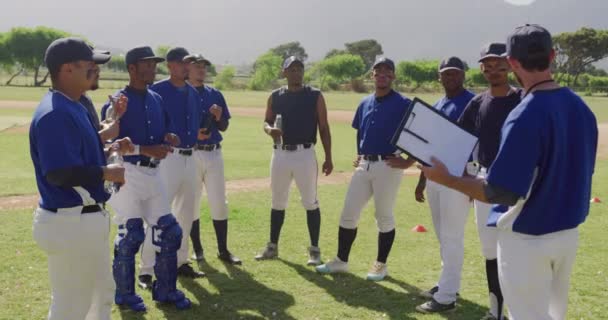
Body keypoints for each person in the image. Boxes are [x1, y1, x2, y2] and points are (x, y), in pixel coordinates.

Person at [421, 24, 598, 320]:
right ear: (553, 55)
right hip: (567, 236)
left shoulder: (525, 113)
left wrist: (448, 179)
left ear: (512, 63)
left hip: (529, 237)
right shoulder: (581, 107)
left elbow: (499, 191)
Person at [30, 37, 128, 320]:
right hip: (70, 221)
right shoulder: (55, 112)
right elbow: (59, 172)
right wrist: (105, 172)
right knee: (71, 306)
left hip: (82, 219)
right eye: (89, 64)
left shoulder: (74, 104)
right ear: (66, 69)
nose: (94, 69)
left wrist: (109, 149)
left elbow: (80, 156)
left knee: (100, 296)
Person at [101, 46, 191, 311]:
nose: (153, 68)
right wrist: (143, 148)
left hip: (154, 174)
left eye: (154, 64)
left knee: (170, 231)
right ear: (132, 69)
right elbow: (109, 143)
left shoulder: (155, 98)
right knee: (131, 235)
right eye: (147, 64)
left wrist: (168, 138)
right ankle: (125, 296)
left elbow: (162, 131)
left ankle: (165, 291)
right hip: (126, 174)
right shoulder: (117, 101)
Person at [316, 57, 415, 281]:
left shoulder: (403, 103)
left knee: (384, 216)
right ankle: (341, 261)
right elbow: (360, 132)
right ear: (372, 75)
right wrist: (360, 153)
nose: (382, 74)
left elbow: (418, 135)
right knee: (348, 213)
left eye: (387, 70)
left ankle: (380, 265)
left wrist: (408, 162)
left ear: (393, 76)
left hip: (388, 166)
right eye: (378, 70)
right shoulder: (364, 102)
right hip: (365, 165)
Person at [453, 42, 523, 320]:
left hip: (518, 183)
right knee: (490, 250)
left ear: (509, 65)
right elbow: (457, 140)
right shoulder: (478, 102)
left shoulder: (522, 99)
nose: (494, 70)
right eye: (488, 65)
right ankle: (496, 312)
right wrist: (465, 176)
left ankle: (520, 311)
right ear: (482, 68)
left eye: (499, 64)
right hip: (484, 181)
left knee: (518, 247)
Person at [139, 47, 208, 286]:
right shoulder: (156, 90)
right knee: (159, 214)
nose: (188, 67)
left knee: (186, 214)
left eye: (190, 62)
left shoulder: (192, 92)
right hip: (168, 159)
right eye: (183, 63)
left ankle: (180, 261)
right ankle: (146, 269)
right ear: (170, 66)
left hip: (191, 157)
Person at [255, 56, 333, 266]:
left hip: (305, 154)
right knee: (277, 201)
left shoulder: (315, 95)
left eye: (299, 69)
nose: (296, 72)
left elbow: (324, 128)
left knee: (310, 201)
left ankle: (314, 250)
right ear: (284, 72)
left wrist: (328, 157)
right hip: (280, 153)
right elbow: (266, 122)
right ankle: (272, 247)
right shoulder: (275, 96)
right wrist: (270, 130)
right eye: (292, 69)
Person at [414, 57, 475, 314]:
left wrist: (470, 181)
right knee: (443, 236)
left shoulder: (473, 102)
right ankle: (446, 284)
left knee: (452, 237)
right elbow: (431, 146)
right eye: (445, 74)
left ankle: (447, 296)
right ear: (439, 77)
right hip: (436, 178)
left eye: (455, 73)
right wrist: (421, 181)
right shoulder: (439, 104)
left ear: (463, 75)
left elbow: (477, 142)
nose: (450, 77)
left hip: (458, 178)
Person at [185, 54, 241, 265]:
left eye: (203, 67)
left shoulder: (215, 94)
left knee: (219, 201)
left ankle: (223, 250)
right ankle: (197, 250)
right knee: (192, 202)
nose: (201, 70)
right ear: (187, 69)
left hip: (214, 153)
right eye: (197, 67)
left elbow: (224, 126)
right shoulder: (183, 93)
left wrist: (218, 117)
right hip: (192, 153)